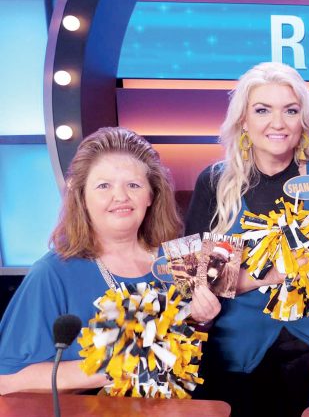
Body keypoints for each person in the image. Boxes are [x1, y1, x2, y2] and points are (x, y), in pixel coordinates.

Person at [0, 127, 220, 395]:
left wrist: (202, 320)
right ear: (82, 196)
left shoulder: (181, 257)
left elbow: (191, 350)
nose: (121, 196)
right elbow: (7, 380)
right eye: (104, 185)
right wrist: (117, 366)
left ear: (151, 195)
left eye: (134, 185)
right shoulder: (52, 273)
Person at [184, 62, 309, 416]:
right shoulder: (215, 182)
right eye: (262, 110)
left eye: (290, 110)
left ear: (304, 118)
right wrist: (268, 276)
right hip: (236, 356)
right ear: (243, 120)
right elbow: (197, 284)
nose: (278, 123)